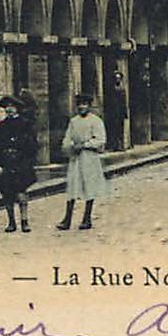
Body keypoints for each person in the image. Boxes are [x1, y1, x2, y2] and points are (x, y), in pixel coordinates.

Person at [56, 94, 108, 230]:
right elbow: (67, 138)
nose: (81, 107)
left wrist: (85, 145)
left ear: (89, 106)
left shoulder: (96, 121)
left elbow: (100, 140)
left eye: (84, 104)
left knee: (89, 185)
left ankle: (87, 218)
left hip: (89, 157)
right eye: (79, 104)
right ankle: (67, 219)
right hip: (76, 158)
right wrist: (70, 146)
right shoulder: (74, 121)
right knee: (72, 186)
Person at [0, 95, 37, 232]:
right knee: (7, 193)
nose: (9, 110)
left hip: (21, 162)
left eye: (12, 107)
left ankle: (24, 221)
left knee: (21, 193)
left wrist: (28, 162)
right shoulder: (1, 126)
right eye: (7, 107)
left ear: (17, 109)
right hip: (5, 162)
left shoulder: (26, 125)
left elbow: (32, 146)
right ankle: (11, 222)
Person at [103, 71, 128, 152]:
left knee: (120, 129)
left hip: (119, 113)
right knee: (112, 129)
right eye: (116, 78)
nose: (118, 80)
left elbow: (124, 102)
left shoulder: (122, 89)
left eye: (119, 78)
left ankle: (121, 145)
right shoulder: (110, 89)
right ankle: (113, 145)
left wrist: (125, 113)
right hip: (113, 113)